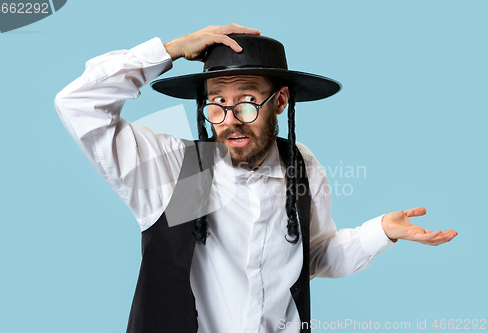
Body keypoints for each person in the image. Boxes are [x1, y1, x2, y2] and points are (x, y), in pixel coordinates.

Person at [54, 24, 458, 333]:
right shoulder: (178, 171)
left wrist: (380, 231)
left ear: (280, 101)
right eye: (218, 104)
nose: (231, 121)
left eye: (247, 101)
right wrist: (170, 50)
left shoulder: (301, 166)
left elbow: (311, 257)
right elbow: (78, 105)